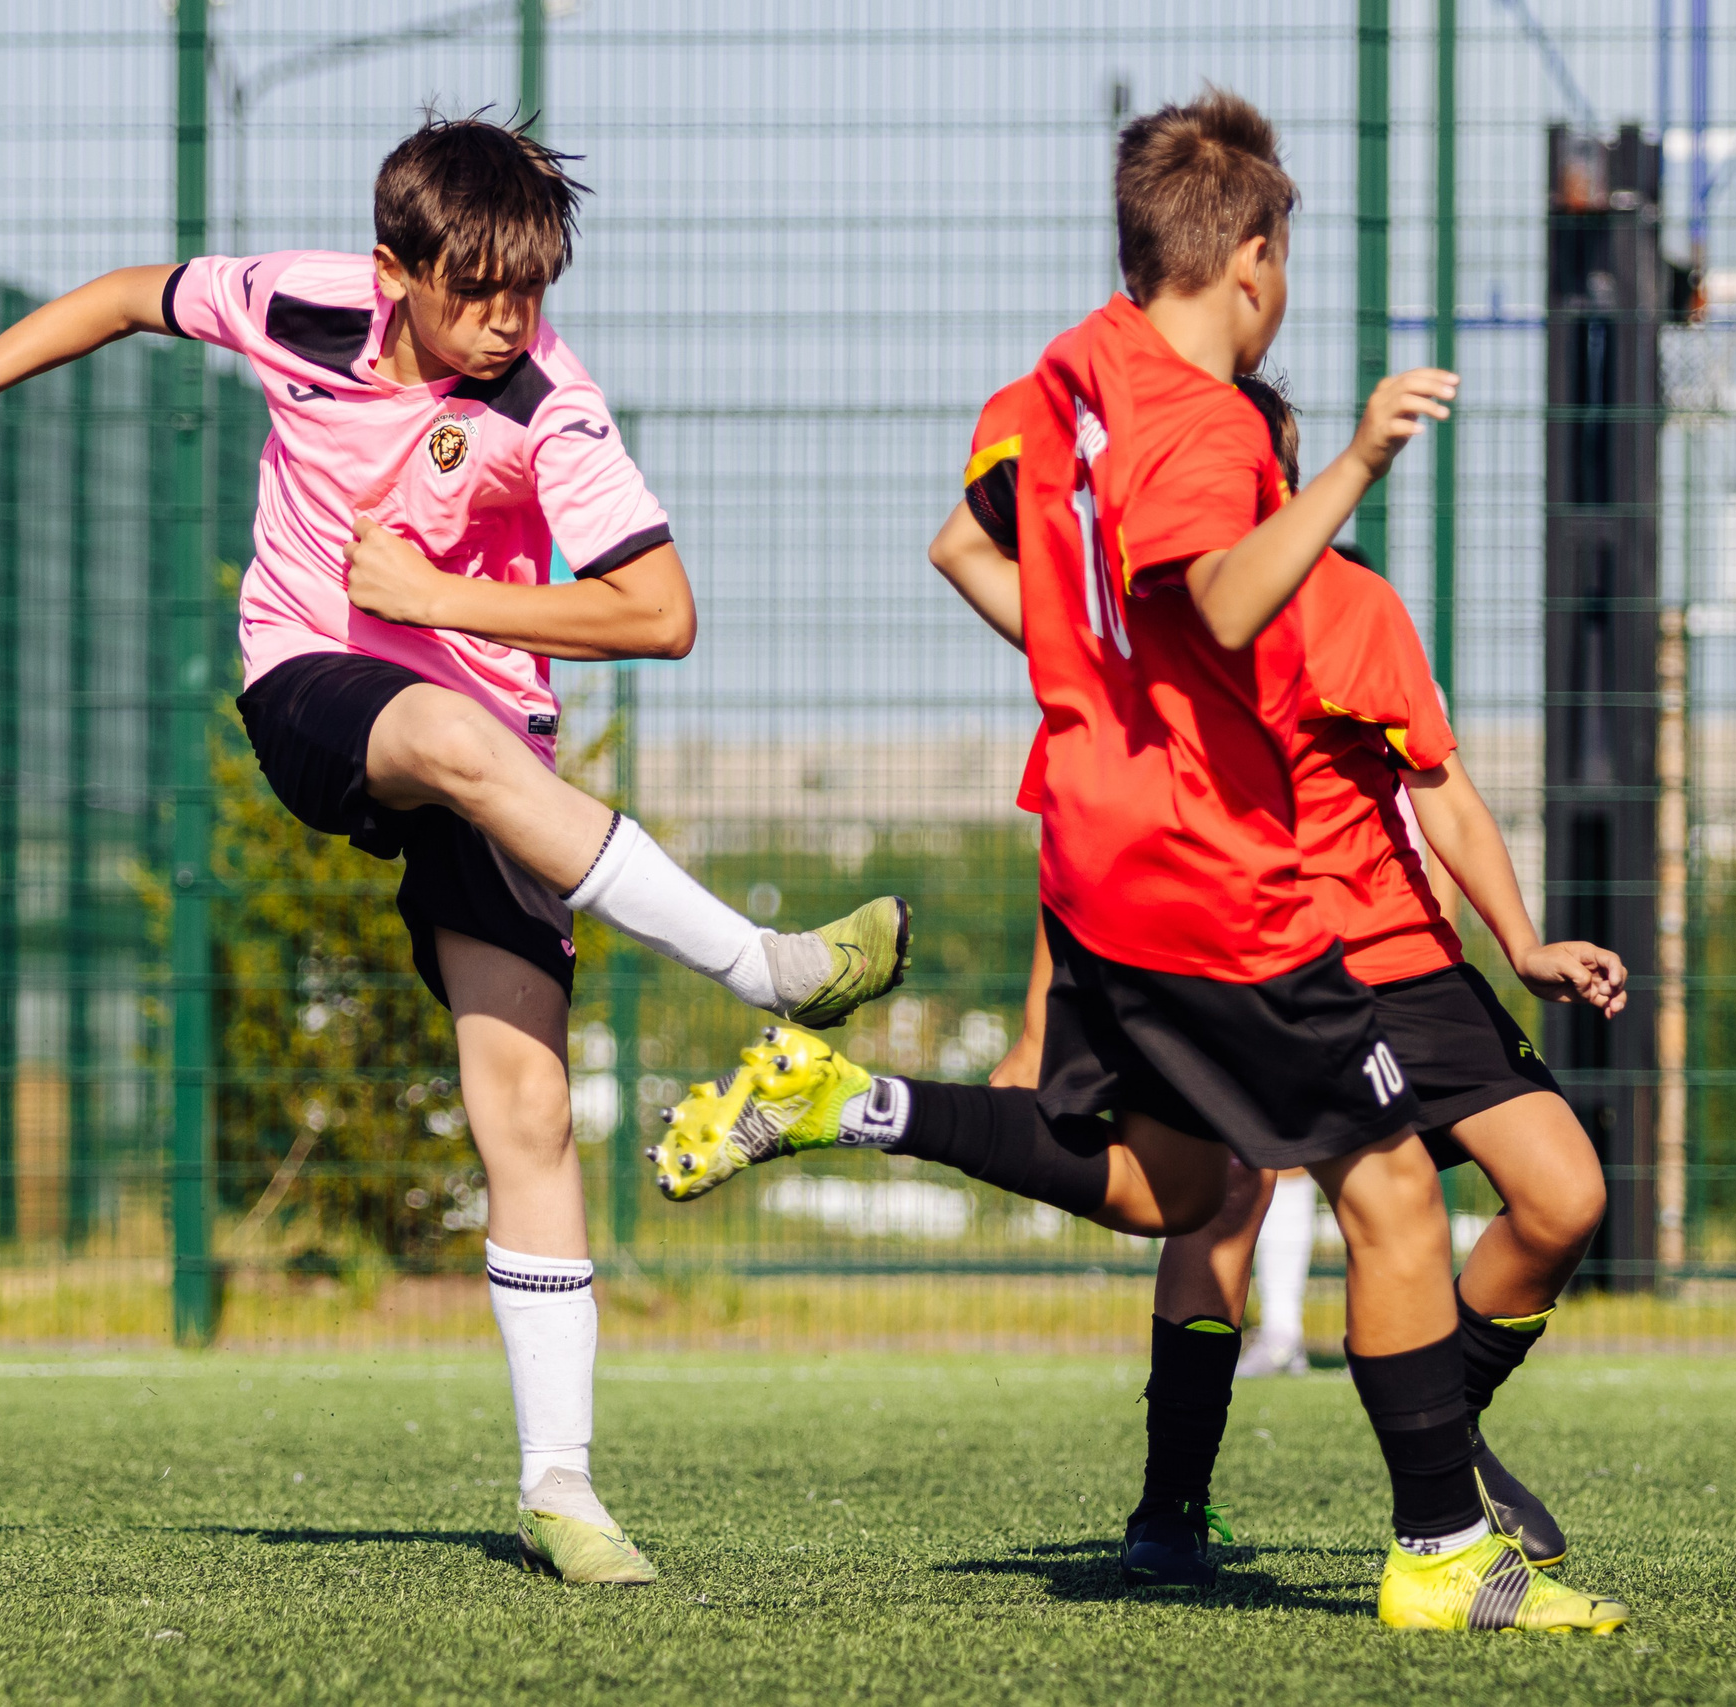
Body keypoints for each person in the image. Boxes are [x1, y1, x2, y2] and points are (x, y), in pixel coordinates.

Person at [0, 113, 914, 1587]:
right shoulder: (301, 303)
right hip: (314, 689)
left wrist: (445, 596)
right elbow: (120, 297)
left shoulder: (555, 406)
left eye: (530, 291)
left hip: (501, 751)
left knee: (525, 1106)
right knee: (451, 742)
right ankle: (766, 966)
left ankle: (562, 1490)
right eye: (476, 290)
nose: (507, 320)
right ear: (392, 270)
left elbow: (660, 613)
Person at [652, 91, 1627, 1633]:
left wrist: (1095, 686)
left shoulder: (1067, 380)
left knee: (1180, 1184)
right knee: (1382, 1190)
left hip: (1100, 854)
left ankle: (857, 1097)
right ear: (1250, 259)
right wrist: (1358, 456)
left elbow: (981, 541)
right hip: (1212, 873)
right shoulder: (1205, 425)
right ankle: (1443, 1542)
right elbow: (1231, 602)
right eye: (1284, 257)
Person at [954, 366, 1623, 1586]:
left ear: (1277, 479)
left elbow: (1444, 792)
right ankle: (1170, 1505)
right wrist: (1036, 1019)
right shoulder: (1134, 639)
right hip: (1240, 960)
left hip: (1399, 958)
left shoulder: (1352, 606)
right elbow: (1081, 838)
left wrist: (1522, 945)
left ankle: (1446, 1433)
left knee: (1564, 1194)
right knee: (1221, 1208)